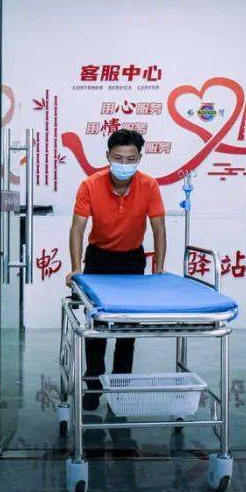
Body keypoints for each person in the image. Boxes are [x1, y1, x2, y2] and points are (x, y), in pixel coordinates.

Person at [67, 128, 167, 411]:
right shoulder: (90, 185)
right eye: (118, 158)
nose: (124, 164)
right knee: (96, 328)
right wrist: (76, 269)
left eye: (130, 159)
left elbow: (159, 228)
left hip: (131, 261)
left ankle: (120, 389)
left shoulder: (149, 185)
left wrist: (159, 269)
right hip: (98, 260)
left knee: (127, 329)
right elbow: (77, 227)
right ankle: (93, 386)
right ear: (108, 156)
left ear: (139, 158)